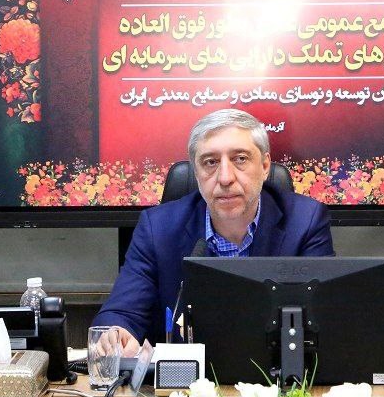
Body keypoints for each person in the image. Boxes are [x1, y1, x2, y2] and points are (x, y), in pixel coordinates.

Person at [92, 109, 334, 354]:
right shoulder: (158, 228)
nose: (225, 178)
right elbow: (121, 313)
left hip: (275, 373)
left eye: (240, 159)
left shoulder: (305, 221)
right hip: (184, 375)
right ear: (196, 173)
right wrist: (115, 335)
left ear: (264, 166)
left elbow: (325, 319)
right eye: (210, 162)